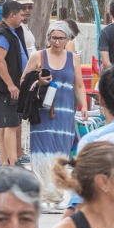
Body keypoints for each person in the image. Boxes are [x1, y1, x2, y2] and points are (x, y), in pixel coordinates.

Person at [24, 23, 81, 211]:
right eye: (54, 38)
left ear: (67, 40)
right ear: (49, 38)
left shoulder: (74, 59)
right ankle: (43, 194)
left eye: (61, 38)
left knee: (60, 152)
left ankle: (56, 194)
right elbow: (23, 81)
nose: (57, 42)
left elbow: (79, 85)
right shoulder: (38, 56)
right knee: (42, 151)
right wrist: (38, 81)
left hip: (65, 112)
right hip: (42, 112)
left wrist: (84, 107)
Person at [0, 1, 31, 165]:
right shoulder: (2, 34)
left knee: (7, 125)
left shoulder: (13, 32)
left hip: (12, 87)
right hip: (5, 89)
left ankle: (5, 161)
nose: (22, 17)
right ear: (12, 15)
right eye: (20, 14)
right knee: (10, 125)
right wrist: (11, 85)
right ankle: (13, 162)